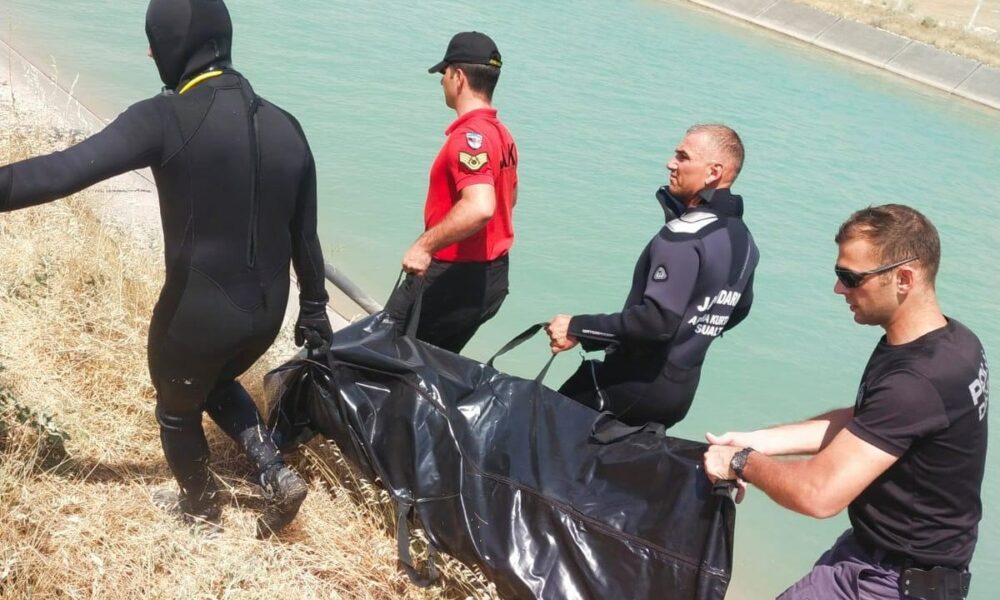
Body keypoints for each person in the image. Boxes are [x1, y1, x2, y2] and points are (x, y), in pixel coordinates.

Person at [0, 0, 333, 536]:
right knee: (217, 376)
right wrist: (314, 309)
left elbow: (61, 172)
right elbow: (306, 238)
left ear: (176, 46)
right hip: (267, 313)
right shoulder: (286, 125)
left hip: (195, 315)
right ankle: (274, 471)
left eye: (155, 42)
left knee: (177, 407)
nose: (151, 54)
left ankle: (199, 510)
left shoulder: (164, 117)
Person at [703, 204, 988, 600]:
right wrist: (759, 441)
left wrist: (740, 462)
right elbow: (872, 423)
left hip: (891, 582)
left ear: (904, 278)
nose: (839, 289)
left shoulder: (917, 382)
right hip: (876, 556)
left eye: (851, 277)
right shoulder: (955, 343)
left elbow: (818, 494)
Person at [546, 124, 757, 428]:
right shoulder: (744, 239)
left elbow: (656, 322)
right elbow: (738, 309)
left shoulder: (684, 235)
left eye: (683, 157)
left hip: (629, 389)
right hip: (678, 396)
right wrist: (693, 332)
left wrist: (578, 327)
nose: (671, 163)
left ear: (713, 172)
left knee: (537, 430)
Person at [385, 31, 518, 354]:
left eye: (443, 74)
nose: (442, 82)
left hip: (452, 277)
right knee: (430, 364)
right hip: (492, 277)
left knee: (381, 350)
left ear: (458, 77)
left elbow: (481, 207)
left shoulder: (469, 138)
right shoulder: (503, 136)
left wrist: (424, 246)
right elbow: (509, 200)